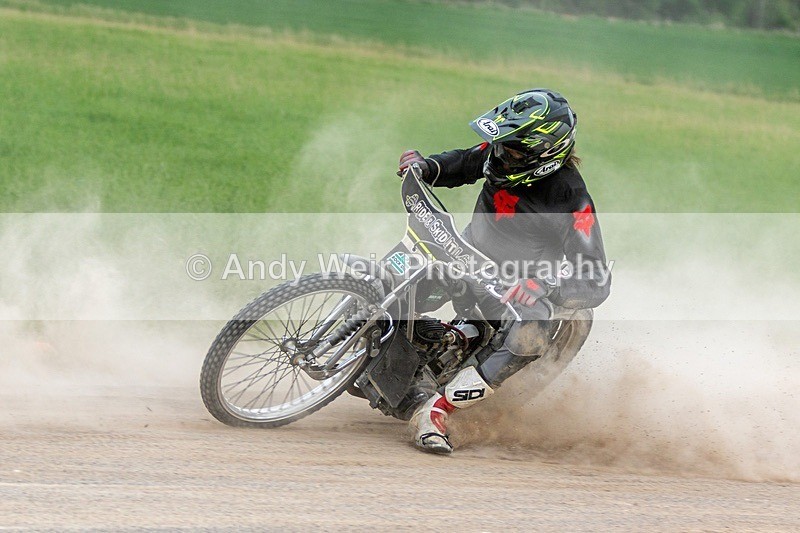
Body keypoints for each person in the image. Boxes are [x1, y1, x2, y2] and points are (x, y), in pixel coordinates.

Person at [397, 88, 611, 454]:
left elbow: (596, 278)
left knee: (530, 335)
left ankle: (439, 411)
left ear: (541, 154)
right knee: (405, 282)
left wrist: (544, 284)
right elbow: (464, 161)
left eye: (511, 149)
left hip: (513, 288)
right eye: (499, 143)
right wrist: (426, 166)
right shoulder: (501, 155)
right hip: (465, 256)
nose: (499, 154)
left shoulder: (572, 199)